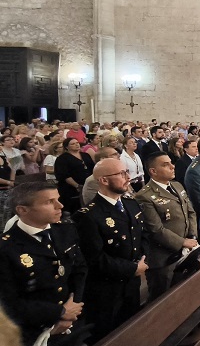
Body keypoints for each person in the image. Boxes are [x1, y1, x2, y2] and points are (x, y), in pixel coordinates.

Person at [0, 182, 89, 346]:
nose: (60, 206)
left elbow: (79, 270)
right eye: (49, 202)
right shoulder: (7, 248)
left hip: (72, 323)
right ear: (22, 210)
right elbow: (9, 303)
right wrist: (59, 313)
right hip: (35, 331)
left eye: (58, 199)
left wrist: (72, 307)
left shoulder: (65, 230)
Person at [73, 158, 148, 344]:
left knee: (130, 328)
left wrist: (142, 261)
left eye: (127, 172)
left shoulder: (131, 203)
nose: (128, 177)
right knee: (107, 335)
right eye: (121, 174)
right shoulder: (89, 215)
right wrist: (132, 268)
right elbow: (95, 259)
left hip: (131, 282)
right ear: (104, 180)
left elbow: (140, 236)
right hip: (106, 289)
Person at [134, 152, 198, 301]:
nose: (172, 166)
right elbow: (156, 229)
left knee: (184, 289)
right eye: (165, 164)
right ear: (153, 171)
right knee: (162, 298)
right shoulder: (144, 196)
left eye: (171, 162)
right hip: (163, 257)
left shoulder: (176, 185)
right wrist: (183, 242)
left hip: (186, 248)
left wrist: (192, 236)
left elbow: (190, 212)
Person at [54, 138, 95, 214]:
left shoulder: (85, 155)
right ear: (66, 147)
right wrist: (77, 186)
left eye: (77, 142)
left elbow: (93, 168)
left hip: (88, 185)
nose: (76, 144)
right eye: (73, 144)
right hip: (71, 188)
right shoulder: (62, 158)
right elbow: (64, 175)